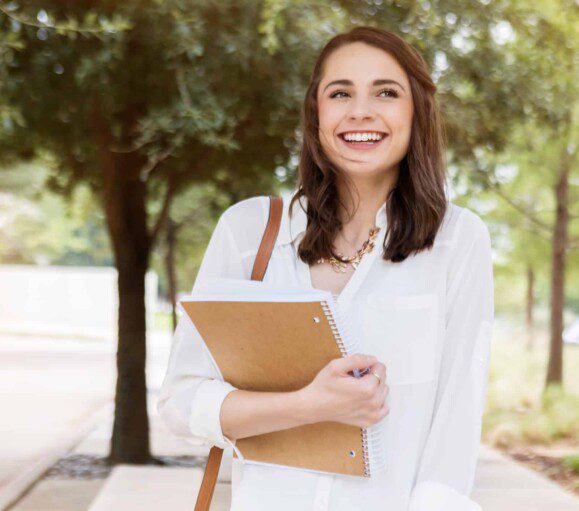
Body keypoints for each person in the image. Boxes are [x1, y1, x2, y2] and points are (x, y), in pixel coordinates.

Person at [157, 25, 493, 511]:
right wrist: (307, 406)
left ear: (417, 110)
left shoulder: (457, 240)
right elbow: (181, 402)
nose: (361, 110)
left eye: (386, 92)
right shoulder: (247, 231)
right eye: (340, 93)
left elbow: (455, 432)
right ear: (316, 113)